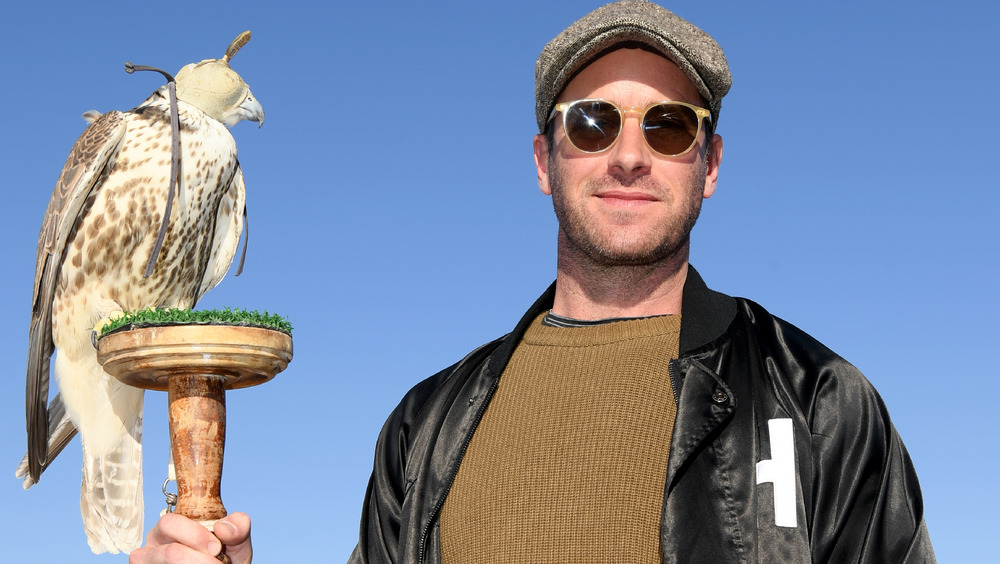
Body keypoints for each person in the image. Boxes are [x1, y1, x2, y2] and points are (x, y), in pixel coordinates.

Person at [133, 1, 935, 562]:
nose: (628, 154)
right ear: (545, 162)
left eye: (668, 125)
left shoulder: (820, 403)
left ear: (710, 165)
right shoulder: (425, 427)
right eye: (590, 122)